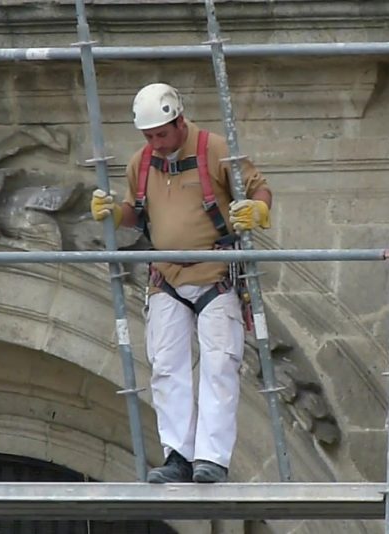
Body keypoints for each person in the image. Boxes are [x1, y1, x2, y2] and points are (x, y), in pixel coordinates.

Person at [90, 82, 273, 484]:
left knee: (219, 365)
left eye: (161, 134)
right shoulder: (141, 162)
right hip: (166, 277)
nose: (155, 143)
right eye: (148, 136)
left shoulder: (214, 149)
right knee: (167, 367)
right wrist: (114, 214)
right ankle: (179, 456)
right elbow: (137, 213)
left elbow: (258, 186)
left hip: (215, 274)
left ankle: (211, 458)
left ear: (178, 120)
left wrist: (257, 209)